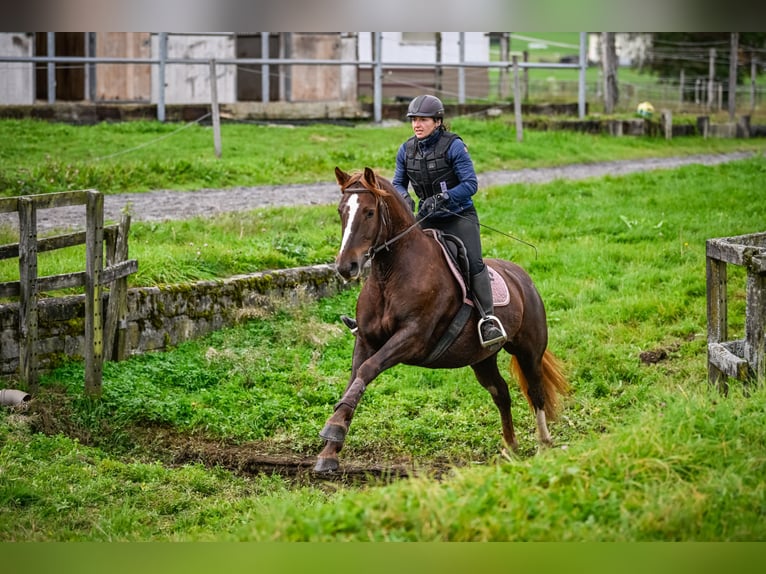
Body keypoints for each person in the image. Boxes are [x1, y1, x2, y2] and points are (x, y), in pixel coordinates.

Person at [342, 94, 506, 348]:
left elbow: (470, 184)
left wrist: (444, 197)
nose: (417, 125)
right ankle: (370, 318)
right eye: (414, 120)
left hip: (458, 216)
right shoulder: (406, 150)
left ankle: (488, 319)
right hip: (427, 217)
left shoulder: (454, 147)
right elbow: (398, 183)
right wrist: (405, 198)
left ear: (437, 122)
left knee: (471, 261)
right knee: (391, 255)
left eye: (423, 120)